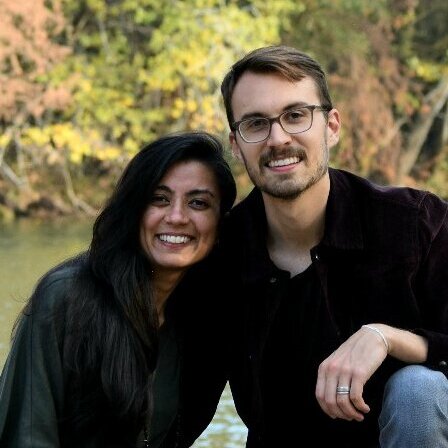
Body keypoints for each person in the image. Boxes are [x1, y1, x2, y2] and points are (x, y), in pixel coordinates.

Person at [218, 45, 448, 447]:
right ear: (236, 145)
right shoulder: (221, 251)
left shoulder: (414, 223)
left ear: (332, 126)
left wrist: (387, 337)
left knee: (418, 392)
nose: (278, 138)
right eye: (255, 123)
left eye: (295, 115)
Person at [0, 131, 236, 447]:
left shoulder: (202, 319)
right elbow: (26, 435)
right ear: (134, 209)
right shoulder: (66, 298)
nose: (177, 217)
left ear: (219, 222)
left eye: (198, 203)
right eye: (159, 199)